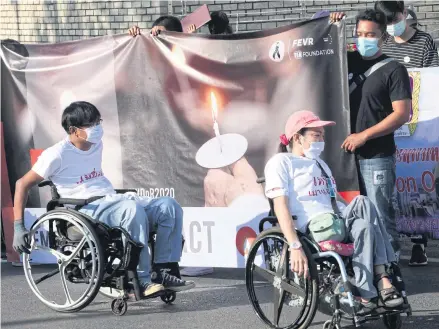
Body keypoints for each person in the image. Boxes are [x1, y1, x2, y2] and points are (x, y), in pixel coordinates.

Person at [12, 101, 195, 297]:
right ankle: (142, 280)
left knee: (169, 206)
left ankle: (164, 272)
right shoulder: (55, 155)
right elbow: (21, 184)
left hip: (109, 201)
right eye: (90, 124)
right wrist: (18, 226)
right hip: (85, 209)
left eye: (98, 122)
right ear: (74, 130)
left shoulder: (96, 144)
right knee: (131, 209)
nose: (97, 128)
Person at [264, 110, 404, 314]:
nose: (321, 140)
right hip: (314, 228)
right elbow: (280, 206)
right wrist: (294, 245)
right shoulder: (282, 162)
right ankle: (384, 273)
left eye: (322, 135)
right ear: (297, 137)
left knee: (364, 224)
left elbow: (335, 199)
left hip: (337, 220)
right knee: (363, 201)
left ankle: (367, 294)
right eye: (316, 135)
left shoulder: (320, 164)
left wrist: (359, 219)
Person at [330, 10, 412, 263]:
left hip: (376, 156)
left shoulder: (393, 69)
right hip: (343, 155)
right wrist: (331, 26)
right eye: (360, 34)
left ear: (383, 37)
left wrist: (364, 135)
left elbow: (402, 114)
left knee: (379, 213)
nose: (364, 39)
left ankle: (390, 270)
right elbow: (320, 56)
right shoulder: (346, 61)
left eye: (371, 35)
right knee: (346, 214)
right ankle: (362, 267)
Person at [375, 1, 439, 69]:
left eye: (396, 19)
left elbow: (432, 74)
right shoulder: (382, 43)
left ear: (404, 13)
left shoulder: (424, 41)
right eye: (388, 22)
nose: (392, 25)